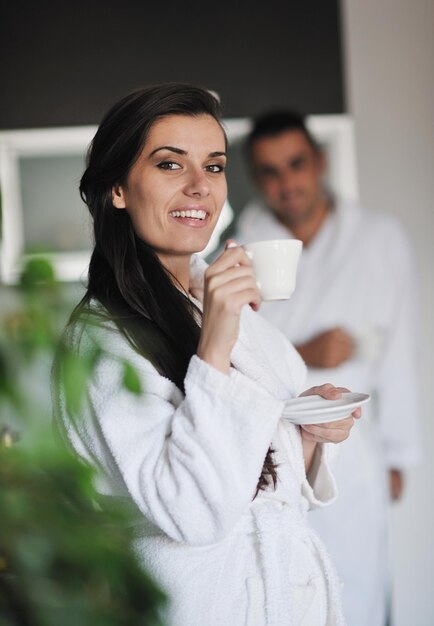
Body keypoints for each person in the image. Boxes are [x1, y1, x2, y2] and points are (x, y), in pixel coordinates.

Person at [52, 84, 362, 626]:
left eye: (214, 167)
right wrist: (215, 340)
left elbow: (270, 477)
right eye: (171, 165)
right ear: (118, 188)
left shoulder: (212, 298)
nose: (200, 187)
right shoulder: (102, 341)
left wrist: (307, 433)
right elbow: (193, 513)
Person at [233, 110, 420, 626]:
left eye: (296, 164)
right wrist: (305, 351)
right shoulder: (239, 243)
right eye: (269, 172)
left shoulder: (380, 239)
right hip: (270, 452)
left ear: (319, 161)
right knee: (283, 597)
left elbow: (400, 349)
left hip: (356, 451)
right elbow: (227, 350)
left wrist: (399, 453)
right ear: (256, 178)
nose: (286, 183)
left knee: (358, 589)